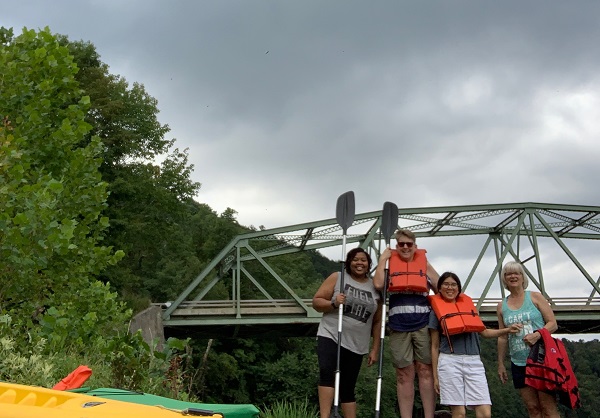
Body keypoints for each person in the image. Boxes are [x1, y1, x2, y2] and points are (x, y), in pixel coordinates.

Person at [429, 272, 521, 418]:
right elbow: (434, 346)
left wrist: (507, 330)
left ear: (459, 289)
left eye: (454, 285)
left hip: (474, 361)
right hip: (449, 362)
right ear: (439, 288)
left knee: (485, 411)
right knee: (459, 413)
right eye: (446, 284)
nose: (450, 287)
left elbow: (484, 332)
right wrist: (435, 376)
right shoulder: (436, 312)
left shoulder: (469, 309)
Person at [373, 229, 439, 418]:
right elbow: (378, 284)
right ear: (396, 246)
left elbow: (439, 285)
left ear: (415, 246)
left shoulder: (423, 262)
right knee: (404, 374)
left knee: (425, 371)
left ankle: (429, 415)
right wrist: (382, 260)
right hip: (398, 326)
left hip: (423, 324)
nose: (405, 247)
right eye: (401, 244)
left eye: (409, 244)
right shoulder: (389, 264)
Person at [312, 247, 383, 418]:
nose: (359, 263)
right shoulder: (338, 277)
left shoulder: (375, 287)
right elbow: (316, 302)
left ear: (369, 264)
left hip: (357, 343)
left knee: (348, 387)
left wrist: (375, 349)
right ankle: (325, 415)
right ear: (349, 262)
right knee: (327, 373)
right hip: (331, 334)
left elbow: (378, 321)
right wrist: (334, 303)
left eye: (363, 260)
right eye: (355, 259)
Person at [496, 261, 560, 418]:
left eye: (516, 273)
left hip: (541, 359)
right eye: (508, 274)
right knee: (532, 408)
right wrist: (500, 364)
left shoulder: (535, 297)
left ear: (522, 277)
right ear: (504, 279)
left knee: (547, 407)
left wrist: (537, 335)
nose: (512, 276)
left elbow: (553, 324)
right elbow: (503, 336)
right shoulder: (501, 306)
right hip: (518, 362)